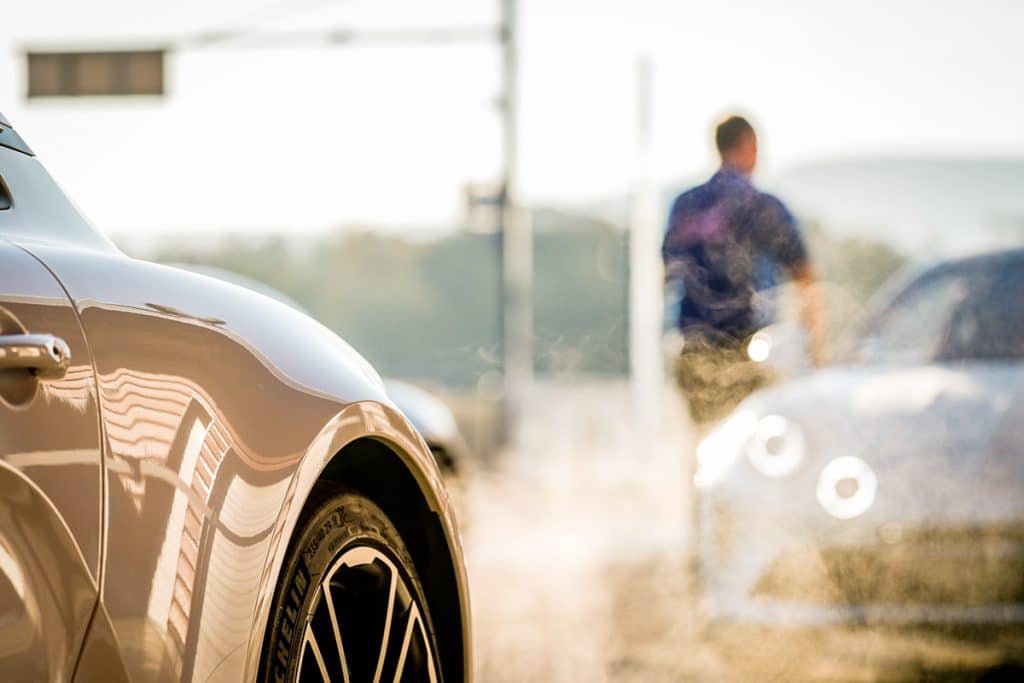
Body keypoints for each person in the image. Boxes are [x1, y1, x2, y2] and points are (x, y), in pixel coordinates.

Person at [663, 115, 825, 425]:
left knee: (705, 442)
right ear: (750, 145)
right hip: (750, 349)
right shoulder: (761, 205)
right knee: (748, 444)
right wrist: (815, 348)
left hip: (694, 347)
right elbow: (804, 275)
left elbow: (668, 275)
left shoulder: (685, 205)